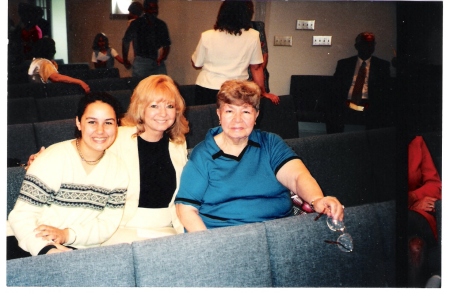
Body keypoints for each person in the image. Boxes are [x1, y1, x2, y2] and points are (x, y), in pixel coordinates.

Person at [25, 75, 190, 245]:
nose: (163, 113)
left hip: (166, 229)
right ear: (141, 107)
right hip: (119, 229)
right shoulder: (116, 136)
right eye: (154, 105)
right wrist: (42, 160)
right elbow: (80, 152)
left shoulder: (177, 143)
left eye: (170, 106)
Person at [174, 80, 344, 232]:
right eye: (230, 111)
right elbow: (186, 208)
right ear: (219, 114)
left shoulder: (270, 143)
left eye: (246, 112)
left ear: (256, 115)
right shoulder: (203, 153)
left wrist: (317, 200)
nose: (237, 120)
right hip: (225, 234)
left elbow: (297, 177)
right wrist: (210, 246)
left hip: (278, 230)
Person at [7, 92, 129, 259]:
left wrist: (67, 235)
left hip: (77, 248)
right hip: (31, 244)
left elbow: (107, 224)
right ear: (79, 123)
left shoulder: (118, 169)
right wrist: (47, 249)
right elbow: (22, 216)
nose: (100, 130)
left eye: (108, 122)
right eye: (92, 122)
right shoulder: (53, 158)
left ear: (117, 125)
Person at [191, 0, 279, 106]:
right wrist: (263, 92)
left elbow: (196, 64)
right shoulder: (253, 36)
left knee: (207, 121)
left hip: (207, 89)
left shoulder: (207, 35)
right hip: (237, 90)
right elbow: (256, 68)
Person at [326, 32, 393, 134]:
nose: (368, 47)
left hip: (370, 102)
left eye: (371, 44)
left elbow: (385, 89)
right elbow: (336, 86)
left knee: (380, 112)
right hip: (347, 101)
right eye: (364, 44)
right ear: (357, 46)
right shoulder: (344, 64)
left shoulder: (382, 65)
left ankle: (372, 144)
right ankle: (335, 143)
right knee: (333, 110)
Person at [407, 135, 442, 287]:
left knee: (416, 246)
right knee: (415, 246)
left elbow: (435, 184)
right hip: (395, 216)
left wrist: (415, 196)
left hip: (420, 215)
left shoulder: (416, 141)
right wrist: (408, 203)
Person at [122, 0, 171, 78]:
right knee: (140, 87)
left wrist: (162, 57)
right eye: (151, 8)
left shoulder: (161, 25)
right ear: (145, 10)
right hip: (141, 62)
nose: (154, 11)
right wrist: (125, 60)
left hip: (156, 62)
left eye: (156, 8)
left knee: (162, 84)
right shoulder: (136, 23)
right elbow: (125, 41)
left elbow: (166, 45)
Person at [246, 1, 270, 93]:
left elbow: (264, 54)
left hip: (256, 76)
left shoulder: (257, 27)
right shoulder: (229, 30)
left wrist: (254, 77)